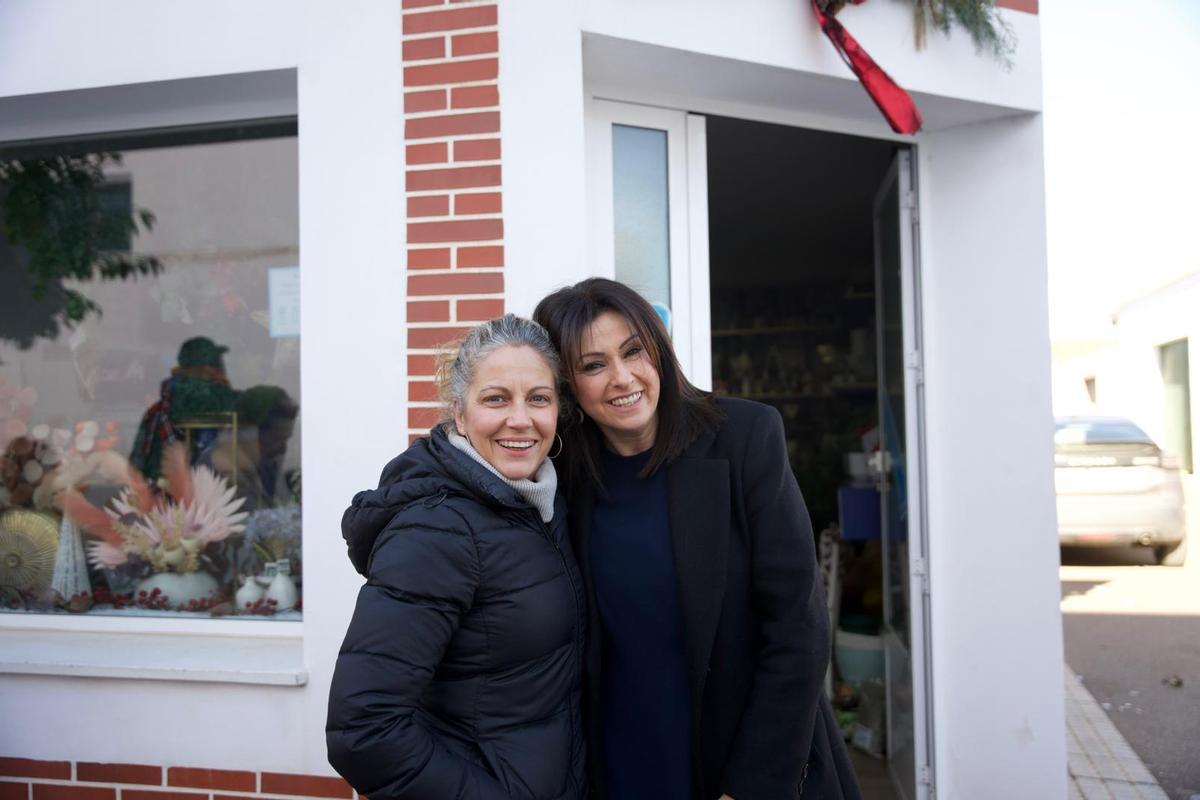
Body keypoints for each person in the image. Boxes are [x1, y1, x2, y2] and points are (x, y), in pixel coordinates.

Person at [534, 279, 861, 800]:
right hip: (621, 763)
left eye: (633, 351)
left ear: (658, 352)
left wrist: (750, 786)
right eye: (594, 365)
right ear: (568, 385)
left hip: (747, 761)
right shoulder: (560, 477)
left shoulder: (745, 437)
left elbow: (797, 625)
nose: (622, 378)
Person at [326, 314, 586, 800]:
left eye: (538, 398)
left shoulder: (539, 504)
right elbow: (362, 730)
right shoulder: (437, 530)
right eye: (496, 398)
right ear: (459, 415)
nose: (520, 419)